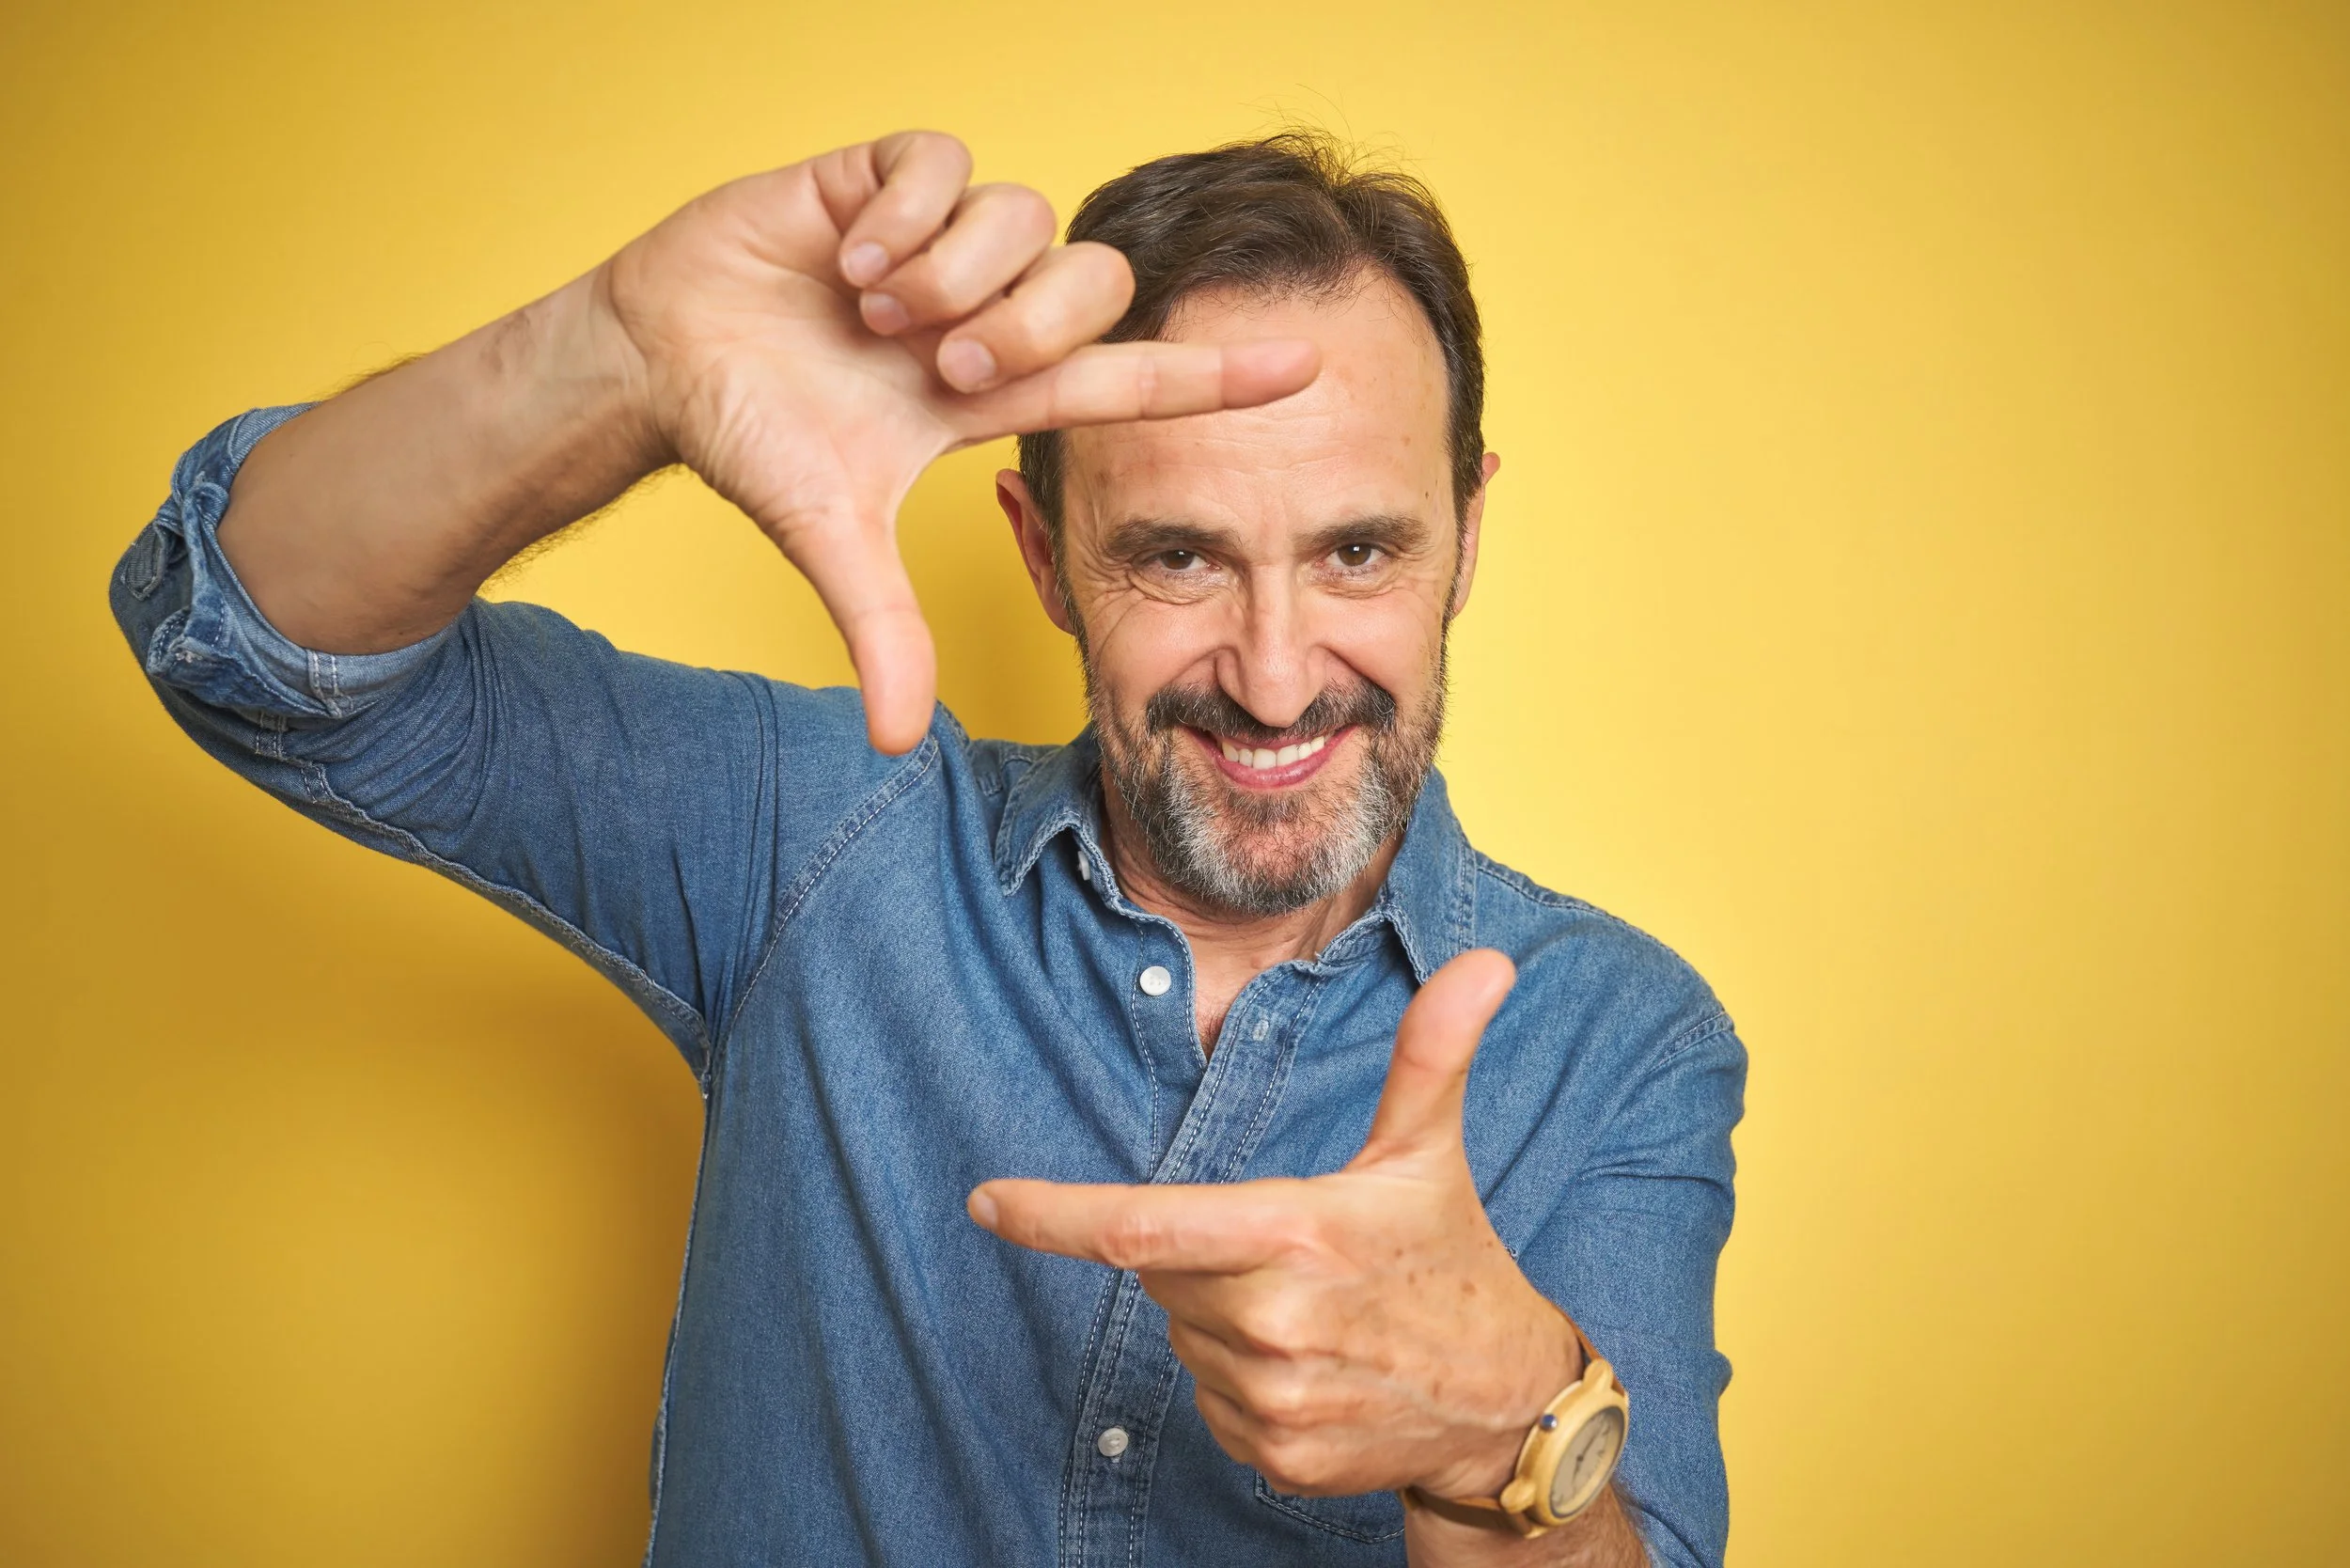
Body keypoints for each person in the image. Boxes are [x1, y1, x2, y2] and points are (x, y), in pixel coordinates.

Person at [109, 129, 1745, 1568]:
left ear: (1467, 535)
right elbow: (257, 646)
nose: (1273, 675)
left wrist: (1502, 1445)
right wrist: (609, 356)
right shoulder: (824, 835)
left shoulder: (1622, 1043)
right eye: (1178, 558)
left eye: (1360, 551)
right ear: (1043, 556)